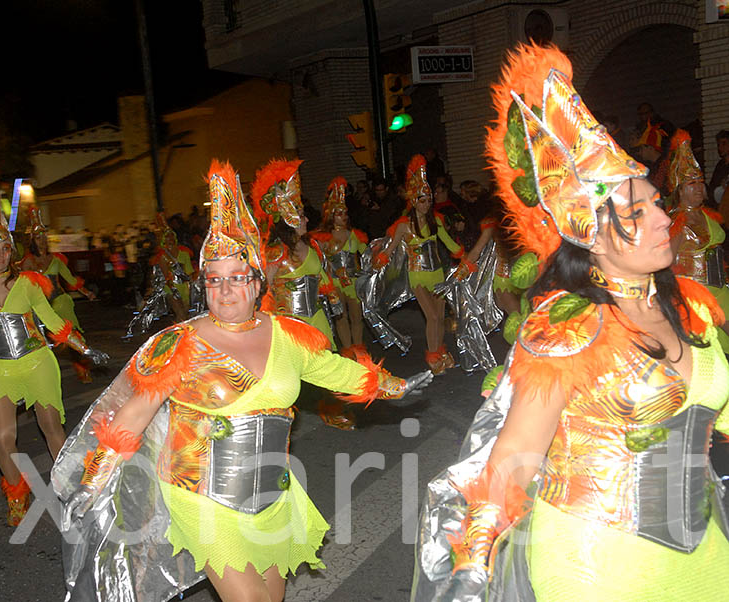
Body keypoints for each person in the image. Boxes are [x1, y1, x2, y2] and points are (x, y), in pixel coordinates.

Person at [413, 43, 729, 601]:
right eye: (638, 212)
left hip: (705, 550)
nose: (662, 218)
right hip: (597, 562)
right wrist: (472, 567)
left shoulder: (693, 308)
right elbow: (513, 456)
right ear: (592, 235)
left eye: (656, 202)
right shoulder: (565, 326)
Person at [54, 159, 432, 602]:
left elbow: (334, 369)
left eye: (237, 278)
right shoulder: (181, 343)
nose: (226, 290)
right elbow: (134, 415)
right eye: (214, 280)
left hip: (272, 496)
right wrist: (92, 481)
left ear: (257, 283)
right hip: (202, 499)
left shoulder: (287, 336)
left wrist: (393, 386)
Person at [0, 183, 108, 525]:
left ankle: (73, 493)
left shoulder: (28, 283)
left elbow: (55, 323)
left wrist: (85, 349)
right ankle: (17, 492)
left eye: (5, 248)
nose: (0, 254)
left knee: (51, 427)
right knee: (3, 437)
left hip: (37, 363)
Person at [253, 159, 353, 429]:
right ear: (287, 218)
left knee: (329, 365)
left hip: (317, 317)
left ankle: (331, 409)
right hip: (289, 326)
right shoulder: (276, 253)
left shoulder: (312, 245)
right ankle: (274, 421)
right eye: (300, 211)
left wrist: (330, 293)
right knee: (287, 378)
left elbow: (321, 276)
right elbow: (261, 289)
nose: (307, 217)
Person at [384, 155, 465, 375]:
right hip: (417, 276)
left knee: (440, 317)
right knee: (433, 316)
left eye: (429, 199)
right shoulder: (403, 226)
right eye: (422, 199)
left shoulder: (435, 220)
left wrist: (464, 257)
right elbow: (390, 251)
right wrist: (379, 263)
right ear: (413, 200)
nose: (427, 203)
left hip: (437, 274)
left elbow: (449, 244)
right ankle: (432, 355)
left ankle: (440, 350)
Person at [17, 206, 99, 383]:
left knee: (73, 334)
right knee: (37, 342)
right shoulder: (28, 262)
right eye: (38, 238)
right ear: (32, 240)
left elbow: (70, 279)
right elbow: (22, 288)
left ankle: (83, 368)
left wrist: (86, 292)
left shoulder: (56, 259)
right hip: (39, 308)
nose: (42, 241)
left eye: (43, 237)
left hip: (60, 302)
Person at [665, 129, 729, 352]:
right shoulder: (676, 222)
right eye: (692, 184)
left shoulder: (708, 214)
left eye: (700, 183)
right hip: (698, 295)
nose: (699, 189)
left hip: (720, 286)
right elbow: (665, 263)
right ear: (679, 190)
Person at [310, 177, 368, 352]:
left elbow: (368, 254)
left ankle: (358, 349)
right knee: (341, 317)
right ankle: (348, 350)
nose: (344, 216)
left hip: (353, 282)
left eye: (345, 213)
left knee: (357, 317)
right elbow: (317, 262)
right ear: (331, 215)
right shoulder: (322, 238)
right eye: (339, 213)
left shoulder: (355, 235)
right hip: (334, 283)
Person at [710, 129, 729, 208]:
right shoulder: (720, 165)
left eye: (724, 144)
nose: (720, 148)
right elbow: (712, 186)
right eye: (718, 145)